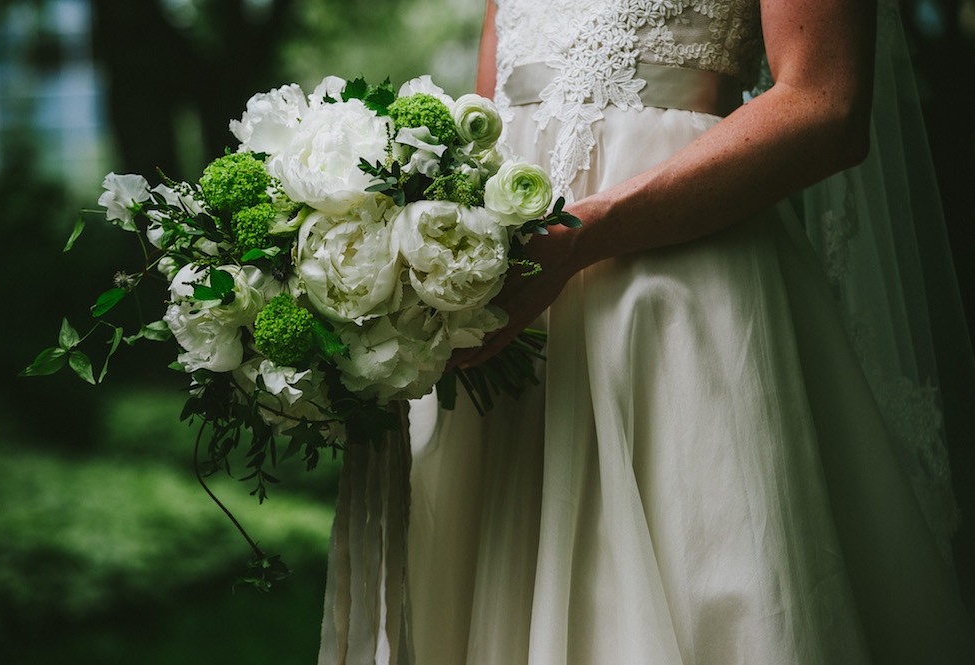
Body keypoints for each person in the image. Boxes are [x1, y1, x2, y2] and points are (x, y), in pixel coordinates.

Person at [401, 0, 975, 663]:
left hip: (678, 304)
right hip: (519, 326)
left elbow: (826, 103)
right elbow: (490, 115)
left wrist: (582, 235)